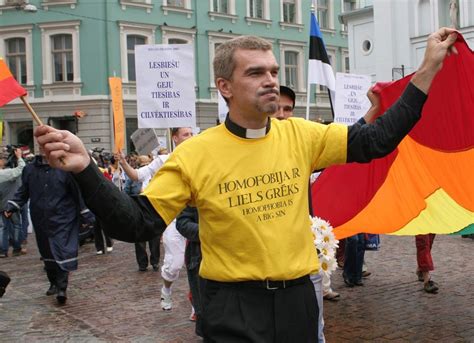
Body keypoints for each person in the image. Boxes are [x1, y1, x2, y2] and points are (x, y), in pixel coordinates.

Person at [35, 28, 457, 341]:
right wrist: (85, 169)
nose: (271, 79)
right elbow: (137, 223)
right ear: (225, 87)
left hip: (296, 301)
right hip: (231, 306)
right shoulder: (195, 154)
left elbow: (377, 141)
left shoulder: (303, 135)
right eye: (256, 73)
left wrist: (427, 70)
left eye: (273, 71)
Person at [117, 127, 192, 310]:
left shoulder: (200, 157)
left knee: (200, 264)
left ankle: (196, 306)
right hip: (172, 219)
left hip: (197, 219)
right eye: (185, 134)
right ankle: (166, 289)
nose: (190, 137)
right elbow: (137, 176)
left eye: (192, 133)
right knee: (175, 265)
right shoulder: (164, 160)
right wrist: (123, 163)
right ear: (174, 138)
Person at [5, 153, 85, 305]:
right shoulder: (30, 169)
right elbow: (24, 191)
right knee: (46, 251)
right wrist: (12, 206)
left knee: (62, 249)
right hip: (41, 217)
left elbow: (77, 192)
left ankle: (62, 287)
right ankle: (53, 282)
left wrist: (85, 213)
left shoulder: (65, 168)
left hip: (63, 217)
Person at [176, 206, 202, 337]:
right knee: (206, 315)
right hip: (201, 257)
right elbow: (183, 223)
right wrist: (210, 232)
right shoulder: (196, 189)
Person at [0, 148, 25, 258]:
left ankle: (2, 251)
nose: (4, 160)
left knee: (2, 228)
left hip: (1, 204)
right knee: (16, 226)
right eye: (2, 158)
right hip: (10, 203)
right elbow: (21, 169)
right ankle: (16, 248)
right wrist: (19, 157)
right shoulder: (4, 173)